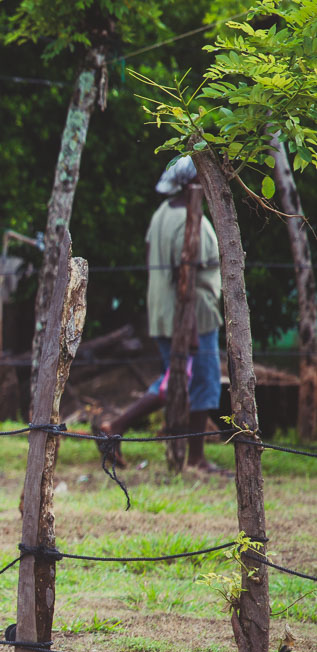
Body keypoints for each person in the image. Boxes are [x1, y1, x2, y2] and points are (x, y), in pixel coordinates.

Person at [100, 156, 225, 473]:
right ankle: (191, 457)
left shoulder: (160, 215)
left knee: (182, 379)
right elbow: (186, 278)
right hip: (192, 317)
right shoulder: (189, 220)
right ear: (191, 183)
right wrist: (191, 329)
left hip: (165, 313)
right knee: (197, 382)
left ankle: (116, 427)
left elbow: (150, 260)